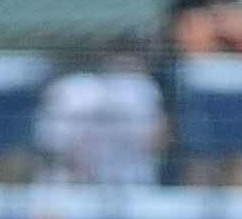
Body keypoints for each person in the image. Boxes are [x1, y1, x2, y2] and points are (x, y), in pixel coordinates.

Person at [35, 51, 168, 188]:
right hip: (73, 188)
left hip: (134, 186)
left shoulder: (140, 87)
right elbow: (50, 147)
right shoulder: (69, 89)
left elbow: (158, 140)